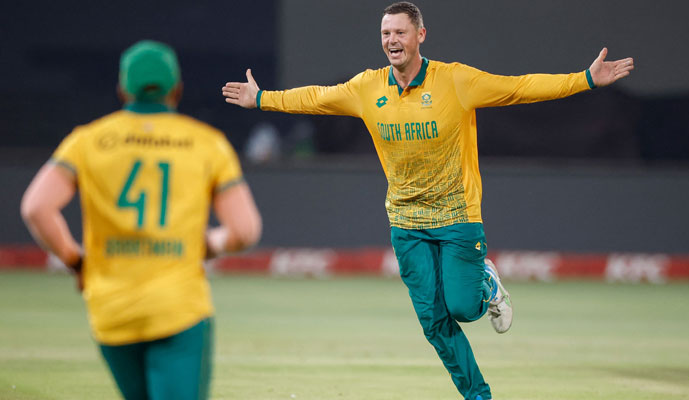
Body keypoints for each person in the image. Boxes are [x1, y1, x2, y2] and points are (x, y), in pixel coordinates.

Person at [222, 2, 633, 399]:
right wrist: (262, 98)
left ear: (420, 35)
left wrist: (586, 79)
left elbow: (519, 88)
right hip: (406, 222)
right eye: (385, 33)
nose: (392, 40)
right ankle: (479, 396)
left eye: (400, 32)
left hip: (457, 215)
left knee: (462, 308)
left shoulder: (455, 81)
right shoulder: (368, 87)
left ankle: (486, 282)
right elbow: (316, 97)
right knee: (434, 324)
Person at [21, 40, 262, 400]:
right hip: (178, 305)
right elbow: (245, 231)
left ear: (122, 89)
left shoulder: (86, 141)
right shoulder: (207, 143)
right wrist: (211, 244)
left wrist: (76, 262)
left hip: (110, 307)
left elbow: (36, 208)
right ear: (177, 90)